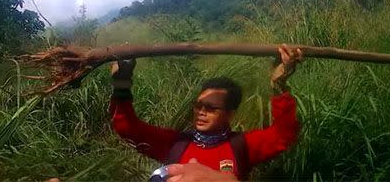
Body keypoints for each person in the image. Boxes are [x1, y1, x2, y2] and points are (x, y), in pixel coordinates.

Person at [109, 44, 303, 181]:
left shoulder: (241, 145)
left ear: (230, 114)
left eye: (211, 108)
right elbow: (129, 129)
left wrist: (278, 85)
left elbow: (283, 135)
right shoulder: (176, 144)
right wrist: (121, 86)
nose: (201, 112)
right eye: (199, 105)